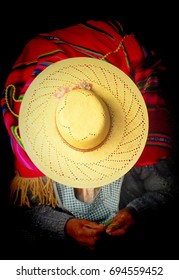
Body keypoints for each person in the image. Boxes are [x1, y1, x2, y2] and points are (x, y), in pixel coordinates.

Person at [1, 19, 178, 260]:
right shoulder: (41, 151)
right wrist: (65, 227)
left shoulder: (138, 143)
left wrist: (137, 212)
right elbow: (24, 210)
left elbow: (168, 191)